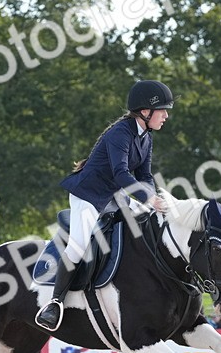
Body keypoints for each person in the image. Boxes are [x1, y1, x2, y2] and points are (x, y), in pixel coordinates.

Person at [35, 79, 174, 331]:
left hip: (113, 196)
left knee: (143, 226)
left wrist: (153, 199)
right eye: (162, 110)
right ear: (145, 111)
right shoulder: (120, 133)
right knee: (78, 246)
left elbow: (145, 176)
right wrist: (148, 199)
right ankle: (55, 303)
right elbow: (121, 173)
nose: (166, 115)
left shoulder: (146, 138)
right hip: (87, 196)